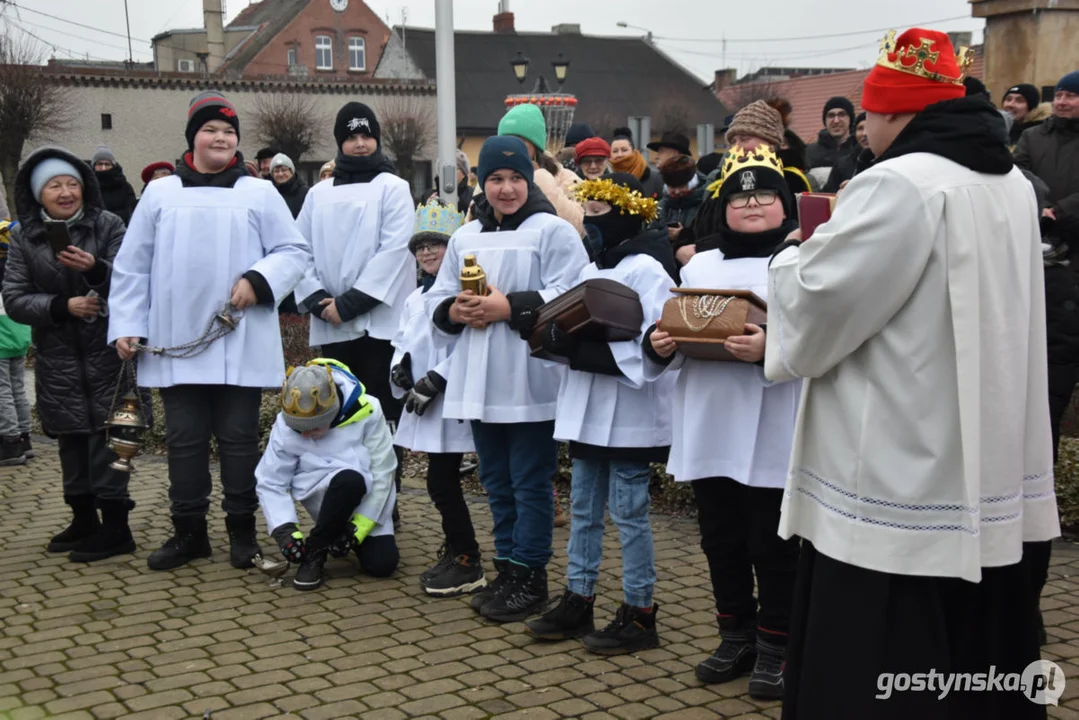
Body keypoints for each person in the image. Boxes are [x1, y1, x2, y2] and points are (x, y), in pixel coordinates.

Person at [768, 29, 1057, 719]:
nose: (860, 129)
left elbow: (820, 306)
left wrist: (790, 257)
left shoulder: (898, 182)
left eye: (867, 115)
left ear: (895, 112)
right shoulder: (1008, 179)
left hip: (897, 465)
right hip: (984, 449)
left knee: (882, 659)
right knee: (975, 641)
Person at [109, 90, 312, 572]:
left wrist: (258, 281)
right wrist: (128, 325)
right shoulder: (161, 193)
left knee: (240, 441)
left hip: (237, 336)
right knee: (184, 441)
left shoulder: (258, 192)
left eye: (228, 132)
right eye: (210, 130)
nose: (220, 138)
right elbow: (133, 267)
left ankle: (242, 532)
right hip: (176, 343)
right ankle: (189, 533)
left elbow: (294, 252)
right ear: (192, 139)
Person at [646, 145, 801, 700]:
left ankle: (779, 644)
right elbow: (672, 322)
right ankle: (734, 634)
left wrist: (770, 346)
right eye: (740, 197)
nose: (753, 204)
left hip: (772, 421)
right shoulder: (700, 264)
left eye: (764, 195)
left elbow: (824, 339)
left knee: (771, 542)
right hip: (710, 420)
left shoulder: (803, 260)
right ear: (724, 207)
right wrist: (658, 343)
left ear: (785, 205)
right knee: (721, 539)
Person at [425, 136, 589, 622]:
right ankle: (508, 568)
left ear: (531, 179)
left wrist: (509, 306)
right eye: (495, 178)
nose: (507, 188)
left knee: (529, 481)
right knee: (496, 480)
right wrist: (453, 310)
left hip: (528, 378)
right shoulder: (465, 236)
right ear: (481, 182)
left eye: (516, 178)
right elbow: (435, 299)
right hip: (479, 379)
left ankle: (531, 576)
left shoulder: (552, 232)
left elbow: (573, 295)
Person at [525, 174, 674, 654]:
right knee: (586, 509)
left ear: (624, 214)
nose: (589, 225)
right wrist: (553, 338)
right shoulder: (593, 267)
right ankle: (579, 595)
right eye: (584, 215)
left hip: (628, 411)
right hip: (588, 408)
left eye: (597, 216)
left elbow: (657, 340)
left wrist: (594, 354)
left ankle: (640, 610)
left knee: (629, 513)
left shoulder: (648, 269)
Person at [2, 147, 134, 562]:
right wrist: (63, 307)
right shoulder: (24, 236)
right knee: (71, 441)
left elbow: (134, 281)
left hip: (106, 353)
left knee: (108, 440)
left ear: (84, 187)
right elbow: (15, 298)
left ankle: (116, 528)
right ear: (39, 194)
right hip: (58, 356)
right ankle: (82, 520)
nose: (64, 193)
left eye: (71, 183)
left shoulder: (109, 224)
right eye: (54, 186)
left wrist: (95, 270)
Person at [293, 102, 415, 465]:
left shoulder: (394, 187)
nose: (360, 144)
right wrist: (317, 300)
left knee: (380, 416)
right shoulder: (318, 194)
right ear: (339, 142)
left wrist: (347, 305)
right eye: (351, 137)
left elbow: (394, 252)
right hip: (331, 325)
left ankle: (384, 501)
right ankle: (342, 490)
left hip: (379, 327)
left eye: (367, 136)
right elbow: (300, 250)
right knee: (336, 415)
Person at [1015, 69, 1079, 648]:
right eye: (1058, 92)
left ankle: (1025, 610)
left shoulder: (1057, 273)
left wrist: (1062, 212)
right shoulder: (1033, 140)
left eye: (1071, 93)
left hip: (1060, 328)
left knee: (1038, 466)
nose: (1063, 100)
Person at [389, 199, 482, 597]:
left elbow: (473, 346)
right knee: (439, 483)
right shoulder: (414, 298)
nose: (426, 252)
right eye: (420, 247)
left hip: (453, 400)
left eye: (436, 245)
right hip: (425, 400)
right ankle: (458, 549)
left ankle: (467, 557)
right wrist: (400, 370)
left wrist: (438, 379)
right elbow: (403, 342)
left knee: (442, 483)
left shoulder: (465, 295)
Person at [256, 359, 398, 590]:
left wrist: (358, 528)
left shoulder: (370, 409)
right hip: (321, 497)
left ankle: (327, 538)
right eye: (299, 428)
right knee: (347, 482)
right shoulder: (285, 423)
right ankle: (317, 551)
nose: (305, 435)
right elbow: (271, 480)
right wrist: (286, 532)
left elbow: (384, 471)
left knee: (382, 565)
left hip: (366, 499)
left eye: (314, 427)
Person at [498, 104, 584, 236]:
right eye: (506, 141)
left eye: (520, 142)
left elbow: (579, 228)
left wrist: (540, 178)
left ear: (536, 145)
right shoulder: (492, 178)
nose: (512, 148)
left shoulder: (566, 179)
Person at [0, 219, 31, 466]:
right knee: (17, 387)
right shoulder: (14, 269)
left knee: (2, 391)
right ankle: (25, 437)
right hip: (18, 334)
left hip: (1, 337)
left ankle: (10, 443)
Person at [649, 155, 705, 246]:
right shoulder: (661, 206)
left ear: (693, 183)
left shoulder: (705, 201)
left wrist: (684, 235)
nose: (677, 191)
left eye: (681, 186)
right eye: (672, 187)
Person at [805, 96, 859, 187]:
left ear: (850, 119)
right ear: (825, 121)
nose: (836, 121)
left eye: (842, 114)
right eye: (831, 115)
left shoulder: (859, 152)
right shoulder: (808, 153)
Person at [610, 127, 663, 199]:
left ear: (633, 152)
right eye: (615, 151)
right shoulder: (607, 181)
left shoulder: (655, 179)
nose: (619, 155)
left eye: (624, 150)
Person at [91, 146, 137, 226]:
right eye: (100, 164)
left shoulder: (125, 186)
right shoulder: (89, 186)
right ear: (94, 166)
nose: (103, 168)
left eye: (107, 164)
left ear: (113, 166)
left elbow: (132, 211)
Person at [269, 153, 309, 219]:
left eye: (284, 170)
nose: (280, 174)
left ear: (292, 171)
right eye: (276, 171)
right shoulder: (269, 193)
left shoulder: (305, 193)